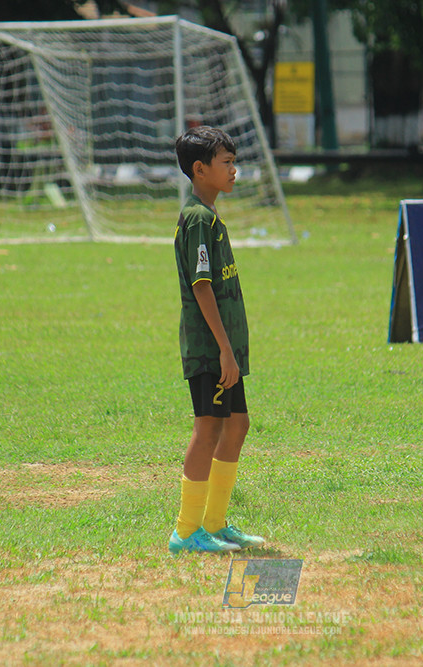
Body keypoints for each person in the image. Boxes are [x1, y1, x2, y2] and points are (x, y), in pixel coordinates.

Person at [169, 126, 265, 554]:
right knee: (208, 428)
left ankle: (215, 522)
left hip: (225, 347)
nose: (234, 170)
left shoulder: (211, 216)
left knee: (237, 424)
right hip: (211, 349)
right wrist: (225, 349)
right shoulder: (196, 220)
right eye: (226, 162)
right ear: (199, 169)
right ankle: (186, 532)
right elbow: (201, 286)